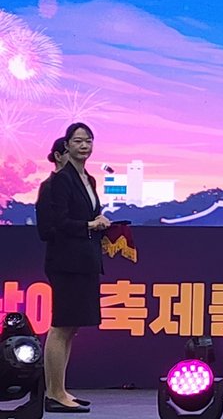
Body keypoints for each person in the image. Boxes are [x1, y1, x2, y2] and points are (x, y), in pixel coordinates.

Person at [42, 123, 109, 414]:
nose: (84, 146)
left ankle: (59, 390)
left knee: (71, 328)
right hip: (66, 262)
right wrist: (90, 225)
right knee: (61, 326)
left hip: (85, 260)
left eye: (88, 141)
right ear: (67, 145)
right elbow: (58, 223)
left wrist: (101, 224)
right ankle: (54, 394)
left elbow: (88, 216)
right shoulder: (61, 180)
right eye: (78, 141)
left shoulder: (88, 179)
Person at [35, 137, 69, 242]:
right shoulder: (48, 186)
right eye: (70, 153)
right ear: (58, 156)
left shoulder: (86, 183)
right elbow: (45, 231)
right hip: (62, 249)